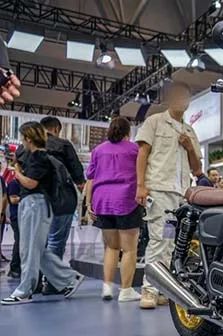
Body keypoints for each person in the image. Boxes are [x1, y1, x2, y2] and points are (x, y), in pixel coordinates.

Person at [136, 81, 205, 309]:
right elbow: (142, 154)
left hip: (181, 194)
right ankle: (149, 290)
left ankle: (163, 288)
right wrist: (140, 186)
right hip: (159, 190)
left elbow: (197, 168)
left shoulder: (190, 131)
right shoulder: (154, 122)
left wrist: (189, 147)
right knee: (158, 240)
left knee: (172, 242)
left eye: (185, 97)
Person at [1, 122, 84, 305]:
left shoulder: (39, 157)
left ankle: (25, 290)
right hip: (33, 204)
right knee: (36, 249)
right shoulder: (36, 156)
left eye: (23, 137)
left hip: (36, 204)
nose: (22, 141)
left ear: (28, 138)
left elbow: (31, 183)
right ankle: (69, 278)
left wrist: (17, 173)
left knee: (30, 249)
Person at [85, 117, 142, 303]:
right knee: (129, 249)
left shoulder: (98, 150)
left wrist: (88, 204)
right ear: (128, 132)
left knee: (111, 247)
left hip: (102, 201)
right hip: (126, 200)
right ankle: (126, 291)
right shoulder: (135, 149)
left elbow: (91, 178)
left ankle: (107, 287)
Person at [40, 116, 85, 259]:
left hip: (36, 200)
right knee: (56, 242)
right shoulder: (64, 145)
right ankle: (52, 273)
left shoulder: (28, 146)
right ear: (56, 129)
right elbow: (79, 177)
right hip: (61, 200)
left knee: (37, 242)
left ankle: (36, 273)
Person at [7, 175, 21, 279]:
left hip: (24, 217)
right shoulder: (13, 184)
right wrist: (26, 197)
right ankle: (14, 268)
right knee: (19, 241)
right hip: (16, 217)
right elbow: (13, 199)